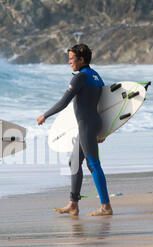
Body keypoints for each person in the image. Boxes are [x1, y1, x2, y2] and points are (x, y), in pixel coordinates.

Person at [37, 44, 113, 216]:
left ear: (82, 59)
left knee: (93, 165)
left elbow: (64, 102)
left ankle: (106, 206)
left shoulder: (80, 78)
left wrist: (45, 115)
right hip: (93, 123)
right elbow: (105, 105)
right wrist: (104, 130)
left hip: (86, 125)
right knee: (74, 162)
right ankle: (73, 204)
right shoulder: (95, 76)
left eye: (72, 59)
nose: (69, 62)